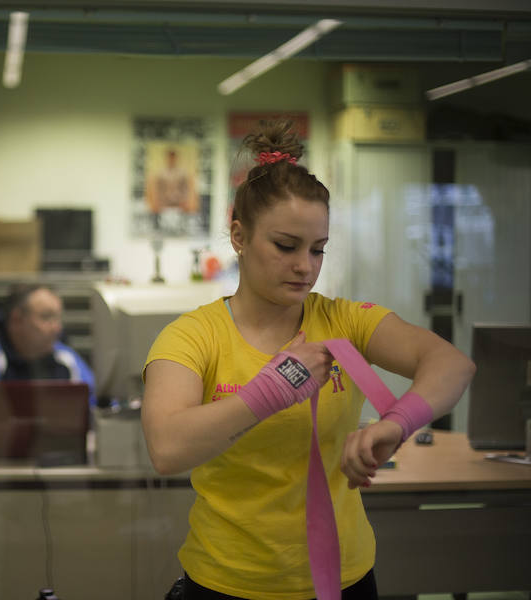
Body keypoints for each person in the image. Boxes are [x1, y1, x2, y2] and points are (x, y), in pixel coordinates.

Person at [141, 120, 475, 600]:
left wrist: (395, 423)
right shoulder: (194, 336)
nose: (305, 266)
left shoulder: (345, 322)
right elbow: (167, 449)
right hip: (228, 583)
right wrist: (270, 391)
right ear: (238, 236)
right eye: (285, 246)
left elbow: (452, 364)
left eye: (318, 249)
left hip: (344, 579)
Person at [0, 283, 95, 433]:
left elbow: (96, 405)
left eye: (58, 318)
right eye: (46, 317)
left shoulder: (66, 357)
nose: (57, 328)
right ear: (17, 319)